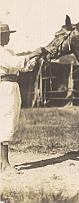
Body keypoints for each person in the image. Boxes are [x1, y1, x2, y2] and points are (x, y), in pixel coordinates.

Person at [0, 23, 44, 173]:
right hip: (4, 87)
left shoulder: (8, 51)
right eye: (6, 34)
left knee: (10, 120)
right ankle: (4, 164)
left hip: (12, 86)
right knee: (5, 120)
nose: (9, 36)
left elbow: (24, 67)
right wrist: (33, 53)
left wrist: (37, 57)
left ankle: (2, 162)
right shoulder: (1, 52)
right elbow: (16, 63)